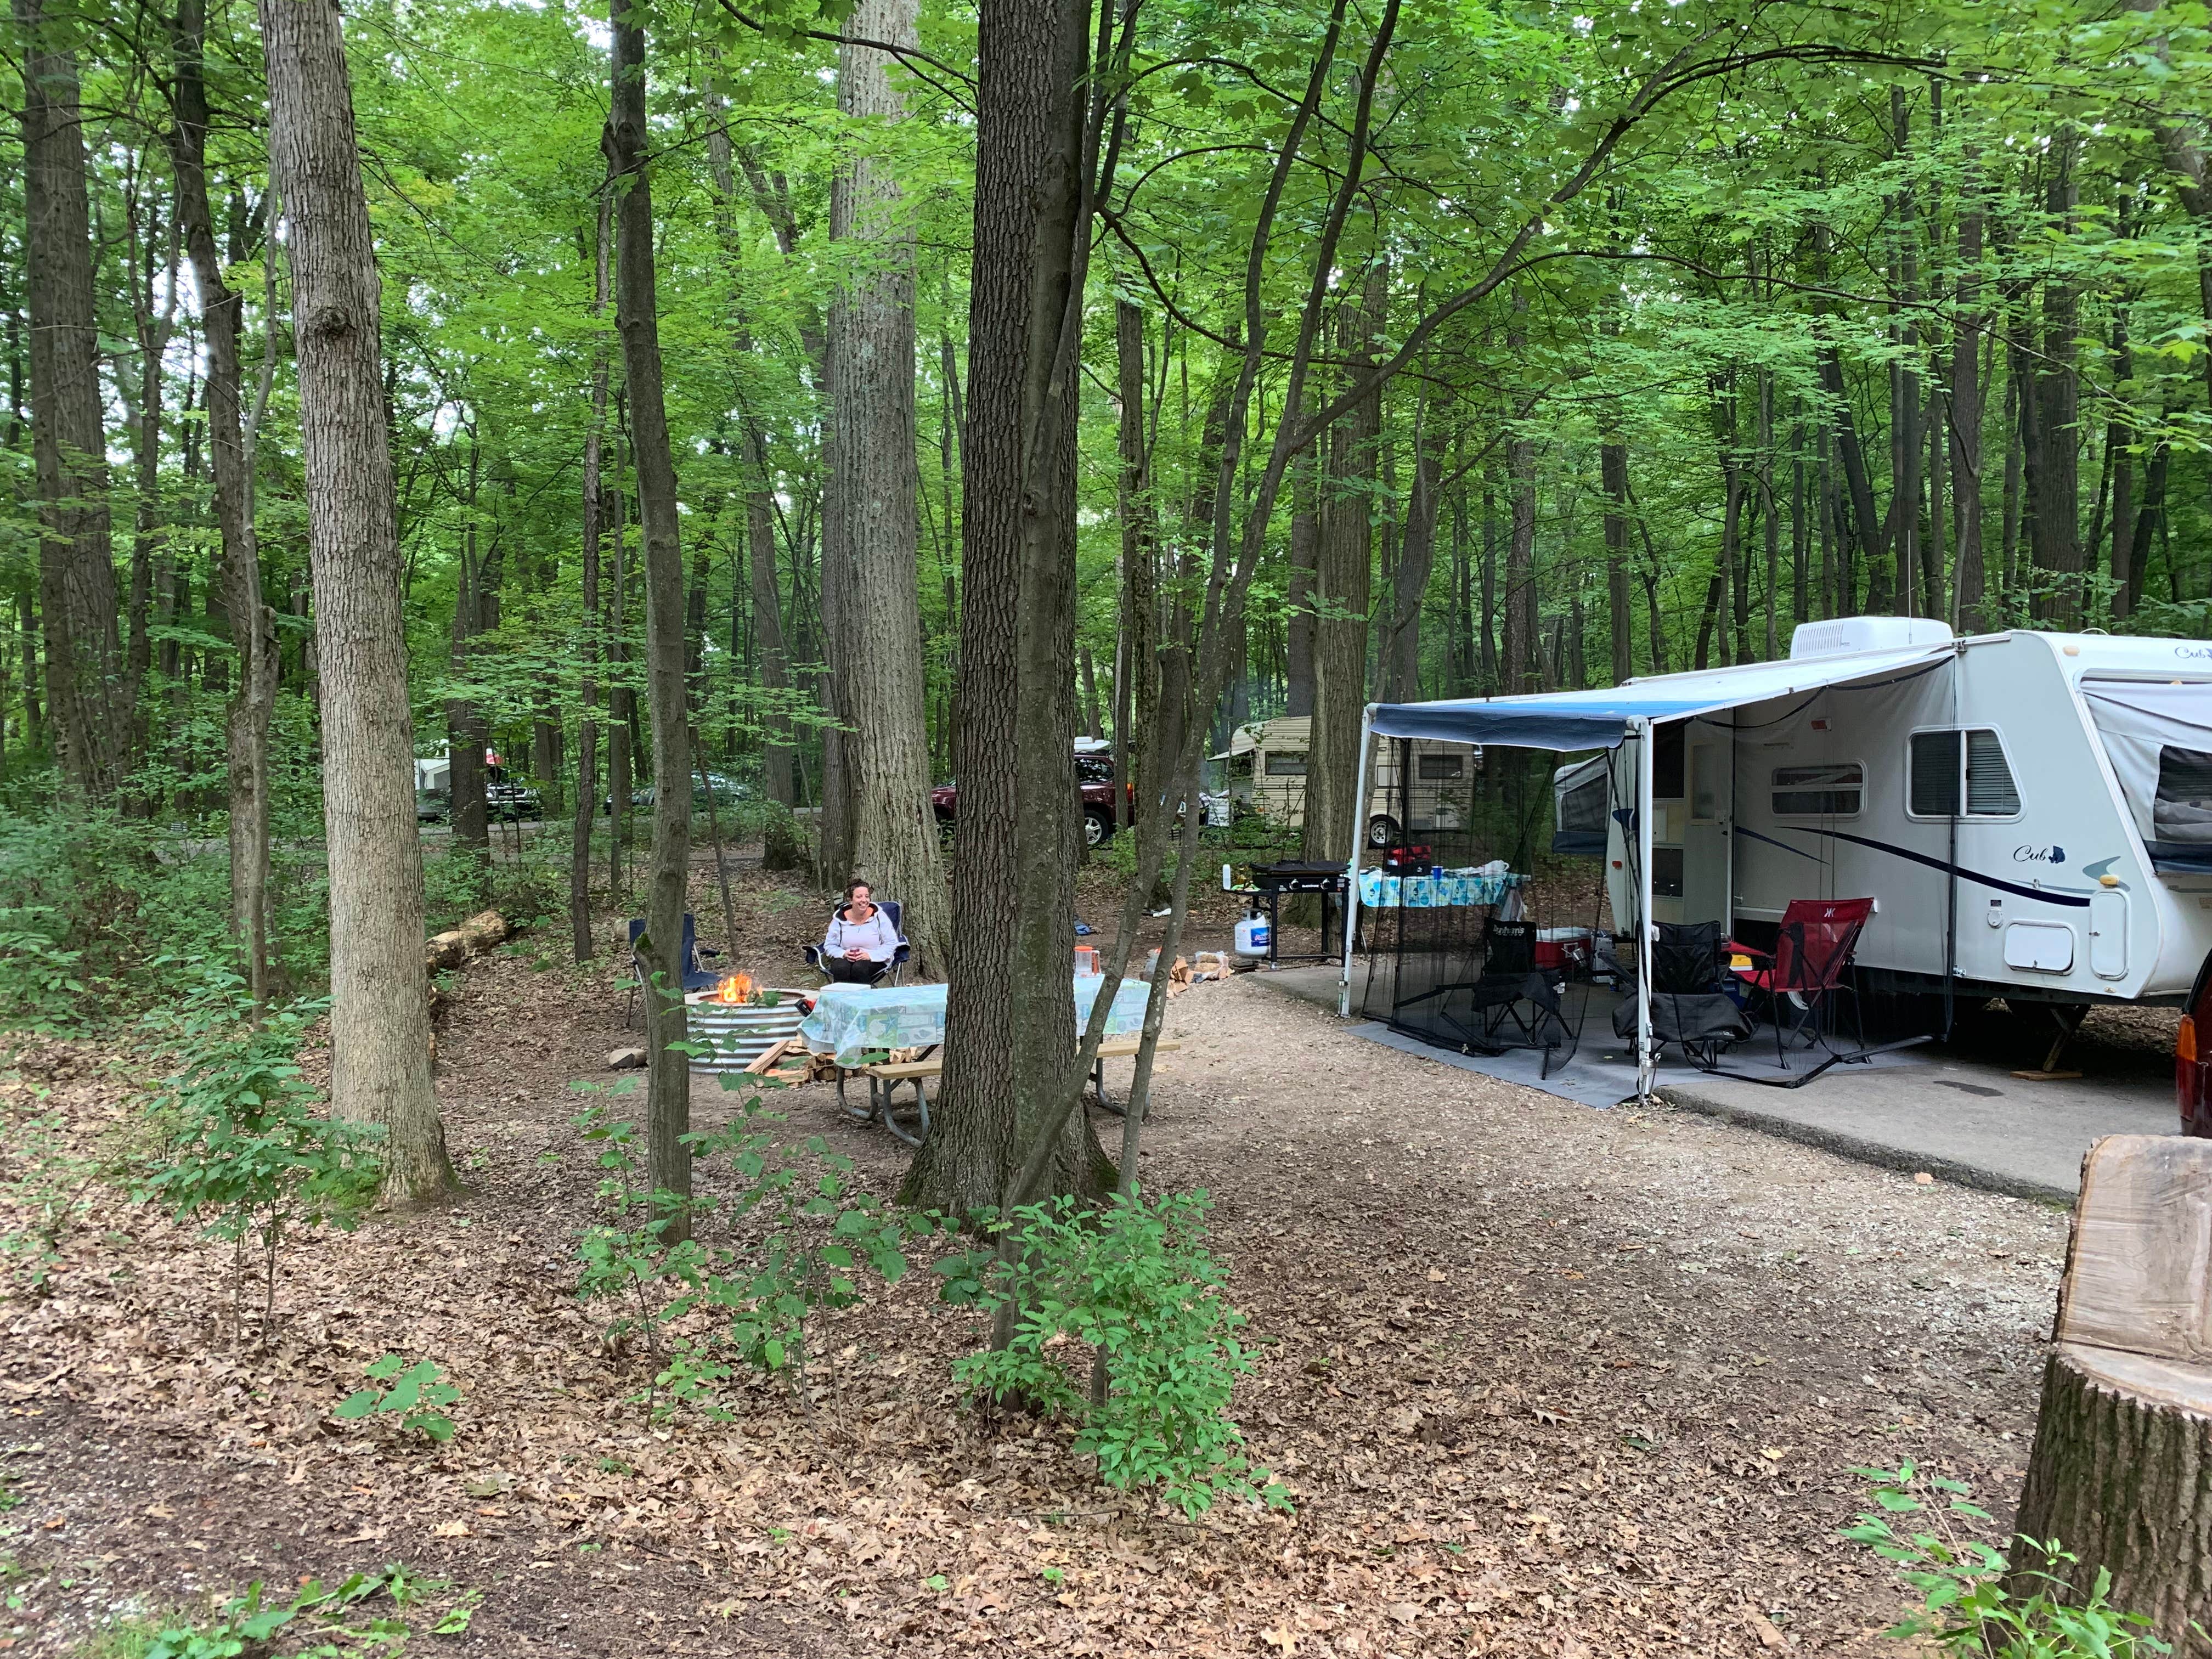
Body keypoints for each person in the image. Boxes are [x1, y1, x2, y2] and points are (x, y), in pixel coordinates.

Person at [821, 880, 898, 985]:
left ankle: (863, 1001)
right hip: (845, 958)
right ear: (851, 900)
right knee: (840, 968)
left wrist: (870, 955)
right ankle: (841, 1000)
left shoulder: (880, 917)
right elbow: (830, 946)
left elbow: (891, 943)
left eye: (867, 896)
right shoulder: (839, 919)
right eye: (859, 897)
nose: (864, 900)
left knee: (859, 968)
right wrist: (843, 954)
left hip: (875, 958)